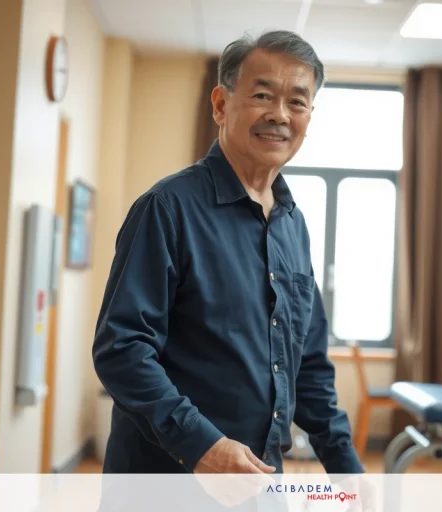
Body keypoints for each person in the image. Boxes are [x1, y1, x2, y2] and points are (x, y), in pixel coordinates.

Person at [92, 29, 365, 477]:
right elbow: (121, 349)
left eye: (297, 102)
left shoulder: (292, 224)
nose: (279, 114)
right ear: (220, 104)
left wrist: (346, 466)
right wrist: (202, 447)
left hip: (261, 481)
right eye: (262, 95)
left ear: (309, 117)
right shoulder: (167, 209)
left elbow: (308, 365)